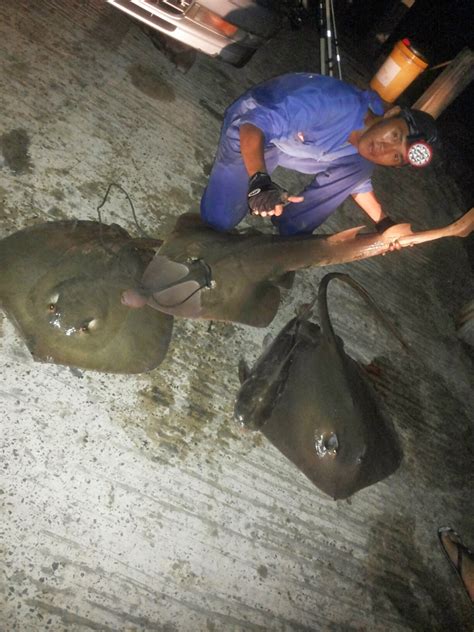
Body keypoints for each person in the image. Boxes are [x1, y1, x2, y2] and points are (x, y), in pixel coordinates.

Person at [200, 73, 439, 236]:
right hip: (255, 127)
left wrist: (383, 223)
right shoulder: (329, 104)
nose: (385, 149)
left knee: (361, 166)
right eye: (395, 136)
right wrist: (258, 181)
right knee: (217, 222)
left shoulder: (370, 142)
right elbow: (253, 126)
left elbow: (357, 182)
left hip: (297, 147)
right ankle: (248, 180)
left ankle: (292, 229)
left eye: (396, 157)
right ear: (391, 114)